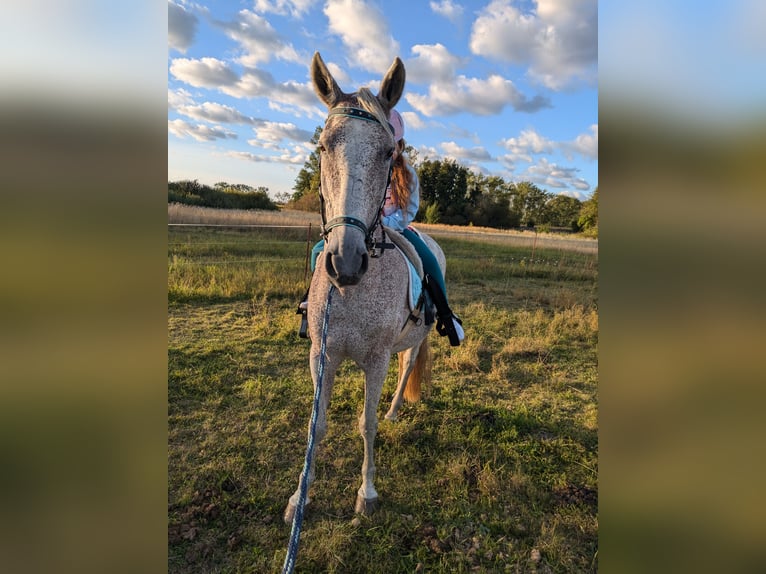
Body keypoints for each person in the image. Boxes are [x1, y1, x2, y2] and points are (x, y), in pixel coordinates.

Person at [298, 109, 464, 346]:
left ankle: (446, 316)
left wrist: (385, 224)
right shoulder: (366, 167)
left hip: (395, 228)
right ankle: (311, 300)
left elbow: (409, 210)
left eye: (392, 144)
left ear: (399, 145)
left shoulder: (407, 175)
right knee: (318, 250)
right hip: (364, 228)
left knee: (428, 259)